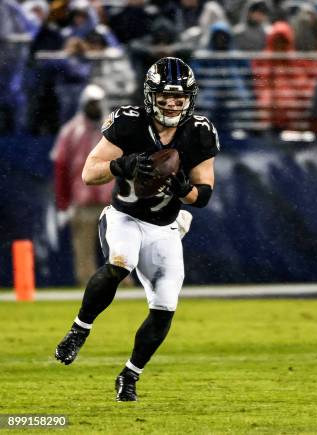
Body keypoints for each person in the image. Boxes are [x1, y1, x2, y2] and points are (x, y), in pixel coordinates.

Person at [54, 57, 220, 402]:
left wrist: (182, 190)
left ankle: (129, 376)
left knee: (165, 305)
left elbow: (203, 194)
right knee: (120, 262)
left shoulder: (200, 131)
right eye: (164, 98)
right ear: (149, 96)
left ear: (190, 98)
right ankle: (78, 331)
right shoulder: (129, 123)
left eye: (179, 98)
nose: (172, 104)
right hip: (124, 216)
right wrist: (123, 164)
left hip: (166, 227)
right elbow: (89, 172)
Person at [50, 84, 113, 287]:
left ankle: (121, 286)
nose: (94, 107)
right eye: (91, 103)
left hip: (111, 202)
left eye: (97, 103)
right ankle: (88, 287)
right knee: (83, 250)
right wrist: (63, 203)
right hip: (83, 201)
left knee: (118, 249)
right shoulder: (70, 131)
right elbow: (61, 168)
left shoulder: (113, 129)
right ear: (84, 104)